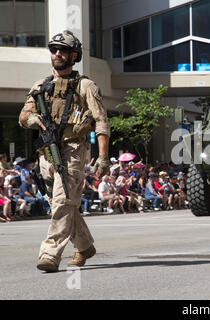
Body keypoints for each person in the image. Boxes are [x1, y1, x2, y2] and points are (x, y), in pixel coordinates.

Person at [18, 30, 111, 273]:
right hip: (46, 152)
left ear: (74, 55)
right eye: (54, 50)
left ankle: (49, 253)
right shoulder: (40, 86)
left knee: (62, 202)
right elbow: (23, 117)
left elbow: (101, 121)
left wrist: (102, 156)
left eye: (63, 50)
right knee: (62, 203)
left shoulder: (87, 86)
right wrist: (33, 120)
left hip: (73, 151)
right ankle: (85, 245)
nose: (57, 54)